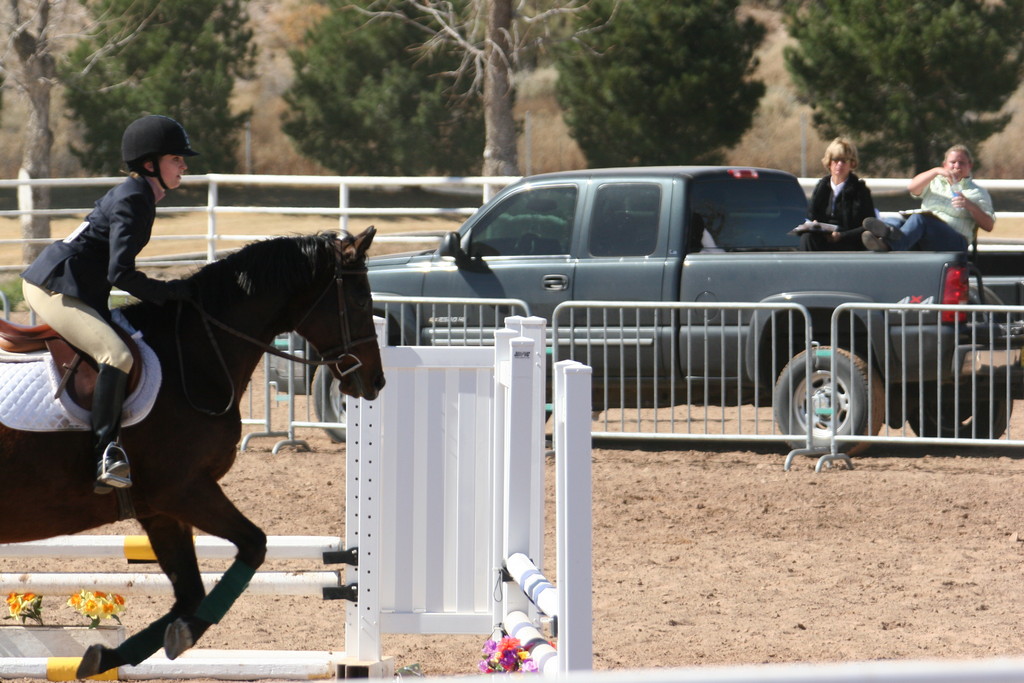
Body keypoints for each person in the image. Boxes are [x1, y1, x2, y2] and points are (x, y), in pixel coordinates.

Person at [21, 115, 198, 493]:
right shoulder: (134, 199)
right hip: (54, 287)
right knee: (117, 355)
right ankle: (106, 454)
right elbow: (121, 273)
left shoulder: (138, 195)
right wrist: (169, 292)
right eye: (176, 158)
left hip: (78, 286)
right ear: (150, 164)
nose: (184, 165)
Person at [862, 144, 995, 252]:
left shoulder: (977, 192)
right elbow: (913, 188)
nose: (957, 166)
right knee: (895, 221)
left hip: (954, 242)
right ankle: (881, 238)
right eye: (953, 162)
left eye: (962, 163)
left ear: (970, 166)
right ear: (945, 164)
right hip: (925, 236)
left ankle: (889, 246)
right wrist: (935, 171)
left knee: (919, 219)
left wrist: (969, 205)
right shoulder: (934, 182)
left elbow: (989, 226)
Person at [798, 137, 877, 251]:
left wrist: (842, 235)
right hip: (823, 240)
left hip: (849, 243)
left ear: (852, 164)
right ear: (829, 162)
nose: (839, 164)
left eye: (844, 161)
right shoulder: (822, 187)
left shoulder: (860, 190)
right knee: (807, 238)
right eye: (835, 160)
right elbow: (811, 217)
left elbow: (869, 225)